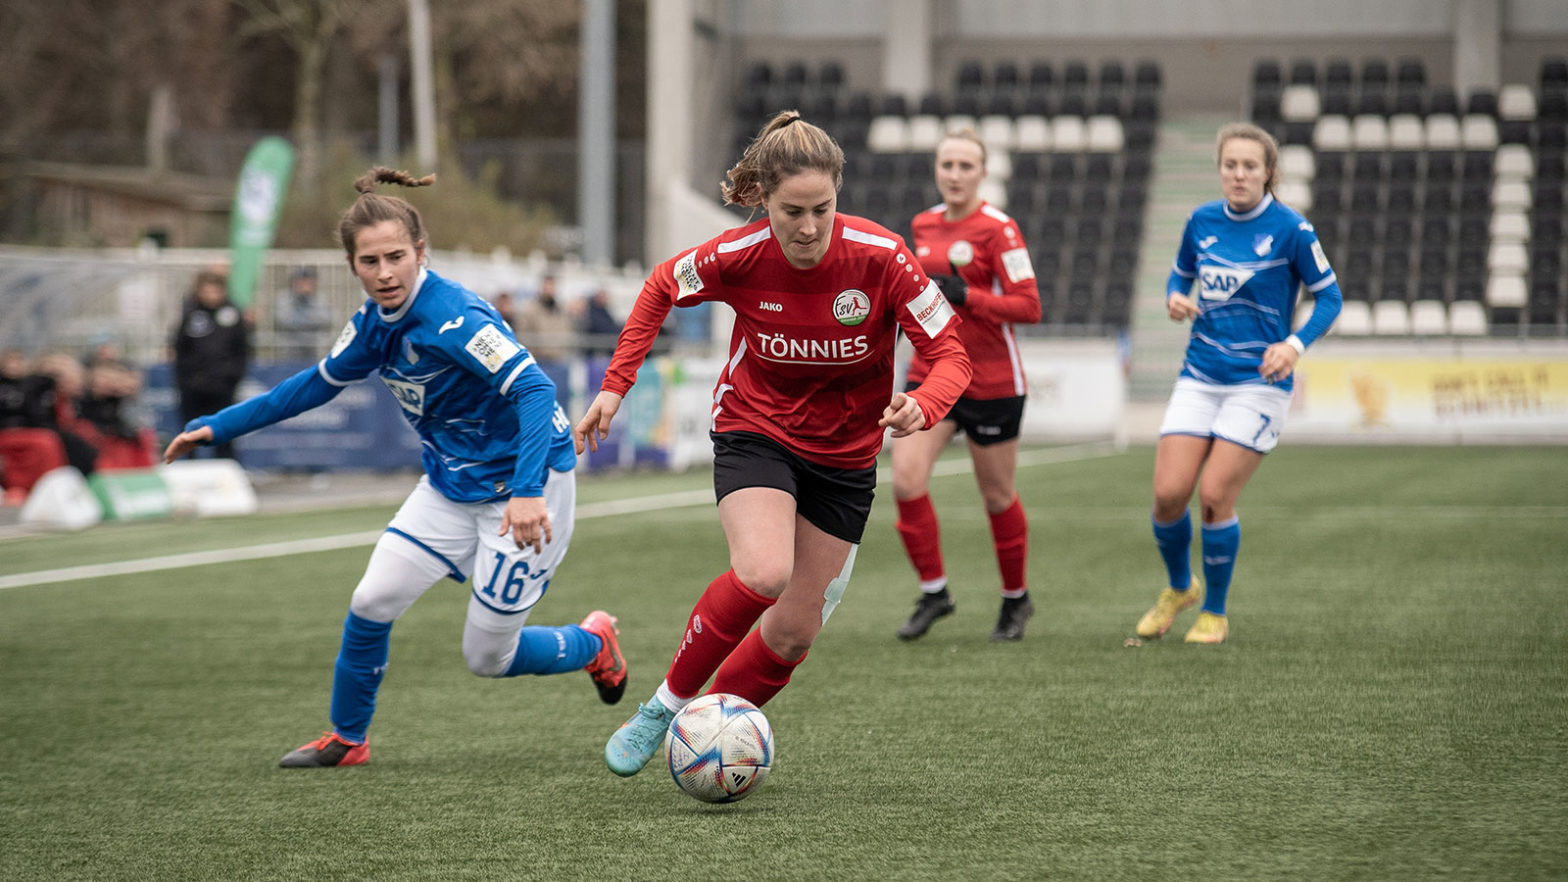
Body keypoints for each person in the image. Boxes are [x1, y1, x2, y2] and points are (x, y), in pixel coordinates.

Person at [163, 166, 628, 767]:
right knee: (371, 599)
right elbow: (312, 386)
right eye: (370, 261)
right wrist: (218, 426)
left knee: (488, 657)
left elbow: (536, 392)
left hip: (526, 485)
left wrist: (527, 489)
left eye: (396, 257)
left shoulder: (455, 317)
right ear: (352, 265)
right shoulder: (370, 327)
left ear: (420, 253)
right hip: (450, 483)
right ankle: (349, 738)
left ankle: (593, 644)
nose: (385, 273)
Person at [574, 110, 972, 778]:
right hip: (756, 430)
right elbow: (659, 288)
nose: (810, 228)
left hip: (845, 460)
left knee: (792, 633)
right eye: (793, 211)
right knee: (763, 570)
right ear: (763, 198)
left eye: (823, 209)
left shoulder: (882, 258)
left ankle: (708, 740)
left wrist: (924, 403)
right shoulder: (739, 255)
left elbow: (952, 352)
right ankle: (663, 708)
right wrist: (616, 385)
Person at [1133, 122, 1342, 645]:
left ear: (1268, 173)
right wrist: (1175, 298)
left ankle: (1216, 611)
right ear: (1220, 169)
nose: (1239, 174)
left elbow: (1330, 298)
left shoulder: (1293, 229)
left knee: (1213, 496)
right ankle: (1180, 588)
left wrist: (1293, 346)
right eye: (1231, 165)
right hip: (1200, 374)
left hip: (1259, 383)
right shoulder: (1200, 220)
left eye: (1250, 166)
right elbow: (1180, 275)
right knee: (1166, 496)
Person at [890, 127, 1043, 643]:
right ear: (937, 169)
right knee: (906, 479)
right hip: (932, 372)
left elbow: (1029, 306)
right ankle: (935, 592)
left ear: (982, 172)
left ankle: (1016, 600)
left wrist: (969, 295)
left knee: (997, 496)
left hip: (993, 381)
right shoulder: (922, 223)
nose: (954, 174)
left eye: (965, 166)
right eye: (947, 165)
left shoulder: (1000, 229)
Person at [171, 268, 250, 460]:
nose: (211, 295)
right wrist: (186, 380)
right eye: (207, 290)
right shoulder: (191, 314)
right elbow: (179, 349)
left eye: (215, 290)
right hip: (193, 386)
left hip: (223, 387)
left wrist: (231, 377)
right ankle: (189, 474)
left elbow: (242, 349)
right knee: (190, 433)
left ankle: (227, 471)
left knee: (225, 434)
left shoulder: (233, 315)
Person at [273, 266, 333, 362]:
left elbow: (326, 319)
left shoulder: (320, 298)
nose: (305, 285)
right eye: (301, 282)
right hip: (289, 350)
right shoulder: (284, 298)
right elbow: (284, 320)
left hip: (314, 349)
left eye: (309, 282)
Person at [513, 273, 574, 363]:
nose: (549, 289)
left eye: (552, 285)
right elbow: (523, 333)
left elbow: (567, 331)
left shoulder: (561, 310)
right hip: (537, 359)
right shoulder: (530, 309)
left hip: (557, 359)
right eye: (547, 285)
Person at [579, 288, 622, 358]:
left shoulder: (603, 310)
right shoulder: (592, 311)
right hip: (595, 349)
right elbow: (603, 327)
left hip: (604, 345)